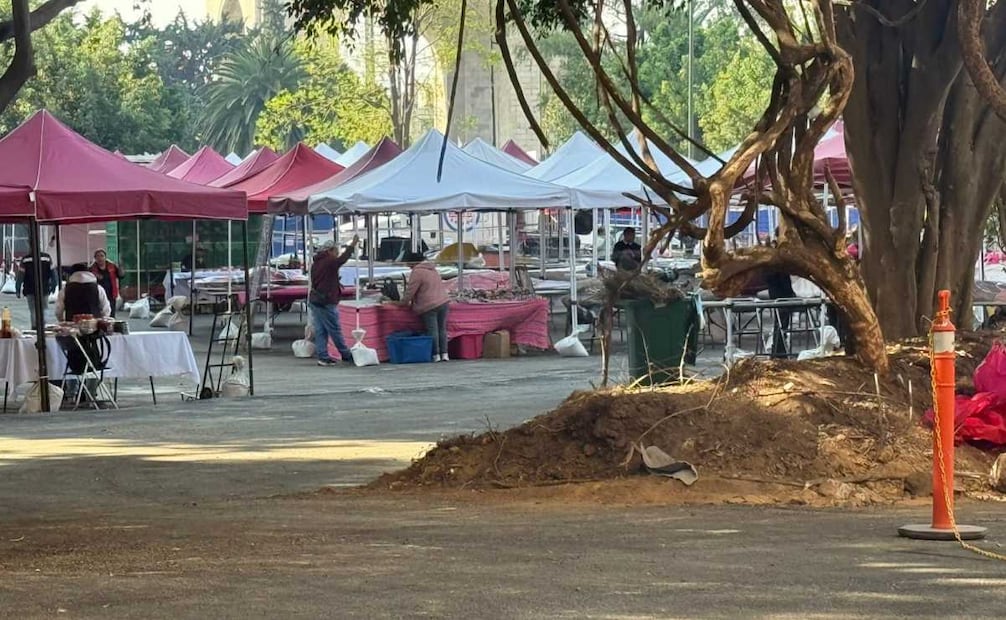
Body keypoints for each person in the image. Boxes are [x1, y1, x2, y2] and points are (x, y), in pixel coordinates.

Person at [310, 236, 359, 367]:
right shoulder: (329, 261)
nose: (337, 253)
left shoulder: (317, 262)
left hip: (315, 299)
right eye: (336, 250)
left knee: (321, 330)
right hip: (326, 301)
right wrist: (352, 245)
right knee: (334, 329)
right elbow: (342, 260)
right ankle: (346, 354)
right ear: (330, 251)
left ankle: (323, 356)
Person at [400, 251, 451, 362]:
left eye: (408, 263)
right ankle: (445, 354)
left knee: (432, 330)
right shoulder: (432, 269)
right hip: (443, 302)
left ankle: (435, 354)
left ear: (412, 262)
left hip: (429, 304)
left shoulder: (417, 272)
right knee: (442, 329)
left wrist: (403, 302)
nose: (407, 266)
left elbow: (411, 291)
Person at [15, 251, 55, 328]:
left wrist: (18, 288)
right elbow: (53, 273)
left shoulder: (25, 259)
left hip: (29, 289)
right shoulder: (47, 257)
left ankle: (34, 328)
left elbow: (20, 276)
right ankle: (43, 326)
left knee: (33, 310)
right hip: (44, 288)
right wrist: (54, 285)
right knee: (45, 308)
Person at [89, 249, 120, 318]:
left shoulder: (112, 266)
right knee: (99, 314)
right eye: (98, 256)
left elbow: (121, 276)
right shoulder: (91, 268)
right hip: (97, 295)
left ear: (105, 257)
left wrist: (120, 268)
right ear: (95, 258)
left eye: (102, 256)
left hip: (111, 294)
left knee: (111, 315)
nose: (100, 258)